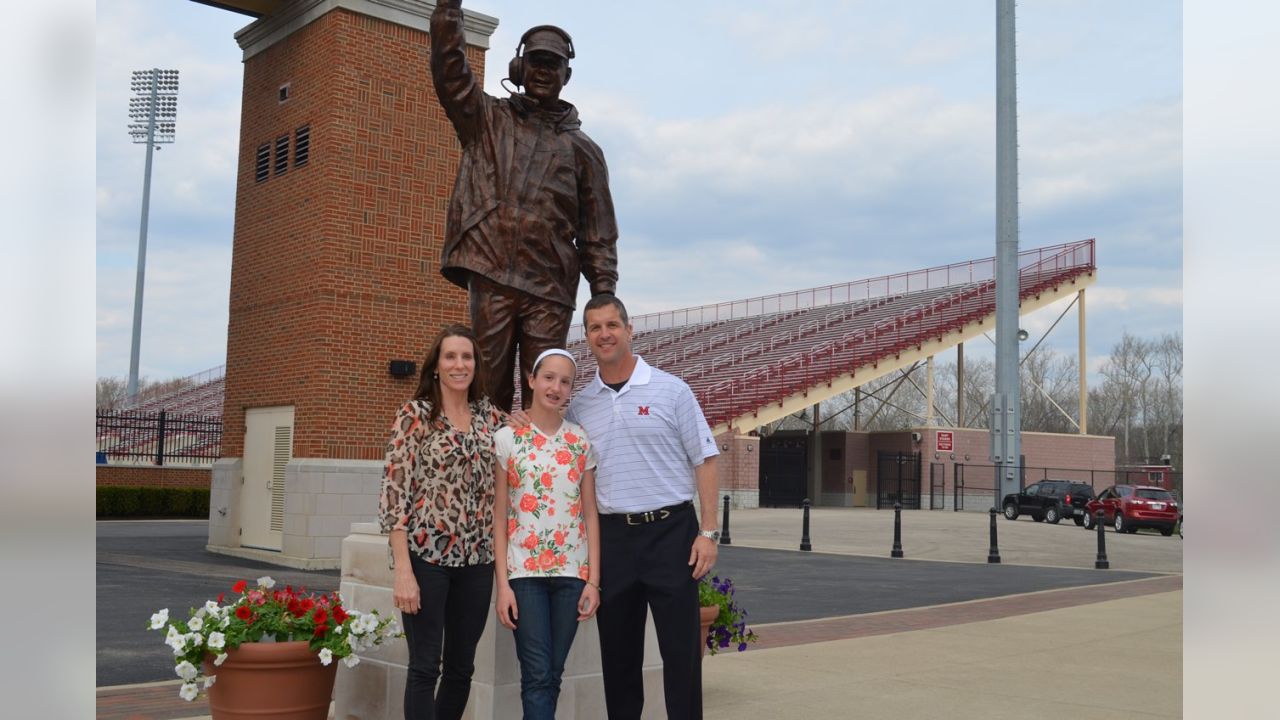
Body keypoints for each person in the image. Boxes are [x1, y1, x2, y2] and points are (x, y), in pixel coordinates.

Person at [429, 0, 620, 413]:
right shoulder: (486, 119)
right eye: (535, 62)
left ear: (566, 75)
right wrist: (448, 8)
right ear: (518, 67)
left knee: (547, 394)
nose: (543, 71)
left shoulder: (584, 151)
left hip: (550, 288)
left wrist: (603, 294)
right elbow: (450, 71)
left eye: (552, 65)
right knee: (486, 389)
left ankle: (540, 475)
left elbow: (598, 233)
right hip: (492, 272)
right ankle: (483, 473)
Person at [565, 294, 721, 720]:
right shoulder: (581, 406)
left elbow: (705, 459)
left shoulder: (672, 390)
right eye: (594, 328)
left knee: (681, 657)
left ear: (630, 330)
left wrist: (708, 532)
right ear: (587, 338)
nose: (604, 334)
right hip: (614, 540)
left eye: (612, 325)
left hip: (671, 534)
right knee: (618, 659)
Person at [378, 324, 507, 720]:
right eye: (450, 356)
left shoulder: (490, 417)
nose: (459, 364)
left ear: (476, 364)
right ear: (436, 365)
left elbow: (529, 437)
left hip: (477, 561)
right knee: (424, 666)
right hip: (426, 559)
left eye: (466, 356)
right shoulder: (415, 415)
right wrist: (403, 569)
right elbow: (393, 495)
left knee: (461, 668)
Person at [492, 348, 602, 719]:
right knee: (537, 676)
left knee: (552, 675)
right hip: (525, 576)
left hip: (572, 575)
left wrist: (593, 581)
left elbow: (590, 513)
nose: (556, 387)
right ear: (532, 380)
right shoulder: (507, 438)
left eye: (565, 381)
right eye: (549, 378)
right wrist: (503, 585)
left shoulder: (579, 440)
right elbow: (499, 514)